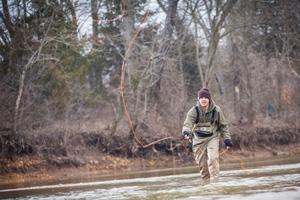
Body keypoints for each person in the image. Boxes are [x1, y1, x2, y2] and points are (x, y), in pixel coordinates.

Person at [182, 88, 232, 182]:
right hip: (198, 141)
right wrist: (185, 132)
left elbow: (223, 126)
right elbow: (188, 123)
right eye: (201, 97)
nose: (203, 99)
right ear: (198, 99)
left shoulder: (217, 110)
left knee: (213, 158)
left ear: (209, 99)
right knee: (203, 167)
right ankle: (206, 186)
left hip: (212, 138)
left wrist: (227, 139)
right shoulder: (194, 111)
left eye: (206, 97)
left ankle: (215, 183)